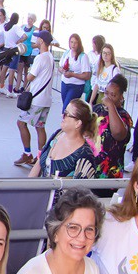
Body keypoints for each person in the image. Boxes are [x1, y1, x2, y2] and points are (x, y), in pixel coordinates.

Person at [14, 30, 56, 168]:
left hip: (36, 100)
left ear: (41, 41)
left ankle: (27, 153)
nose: (35, 40)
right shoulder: (50, 57)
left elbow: (30, 76)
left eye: (37, 38)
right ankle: (40, 156)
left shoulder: (40, 58)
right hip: (46, 99)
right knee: (40, 127)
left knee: (21, 123)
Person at [28, 98, 99, 180]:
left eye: (66, 114)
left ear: (78, 123)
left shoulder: (85, 156)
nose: (62, 116)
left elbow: (82, 190)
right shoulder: (58, 134)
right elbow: (39, 163)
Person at [59, 33, 91, 106]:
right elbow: (60, 67)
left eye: (75, 42)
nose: (73, 45)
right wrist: (63, 71)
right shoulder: (66, 53)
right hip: (64, 83)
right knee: (66, 106)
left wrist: (73, 74)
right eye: (71, 42)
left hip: (76, 85)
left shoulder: (83, 56)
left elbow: (87, 75)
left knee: (66, 107)